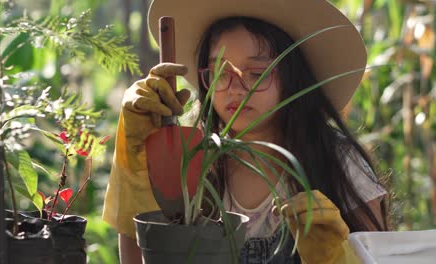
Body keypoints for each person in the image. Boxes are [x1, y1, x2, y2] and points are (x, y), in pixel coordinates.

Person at [102, 0, 390, 263]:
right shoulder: (190, 161)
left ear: (293, 78)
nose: (235, 88)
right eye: (220, 73)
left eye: (257, 74)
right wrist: (135, 154)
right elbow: (140, 255)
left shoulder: (337, 160)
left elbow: (380, 254)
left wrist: (335, 256)